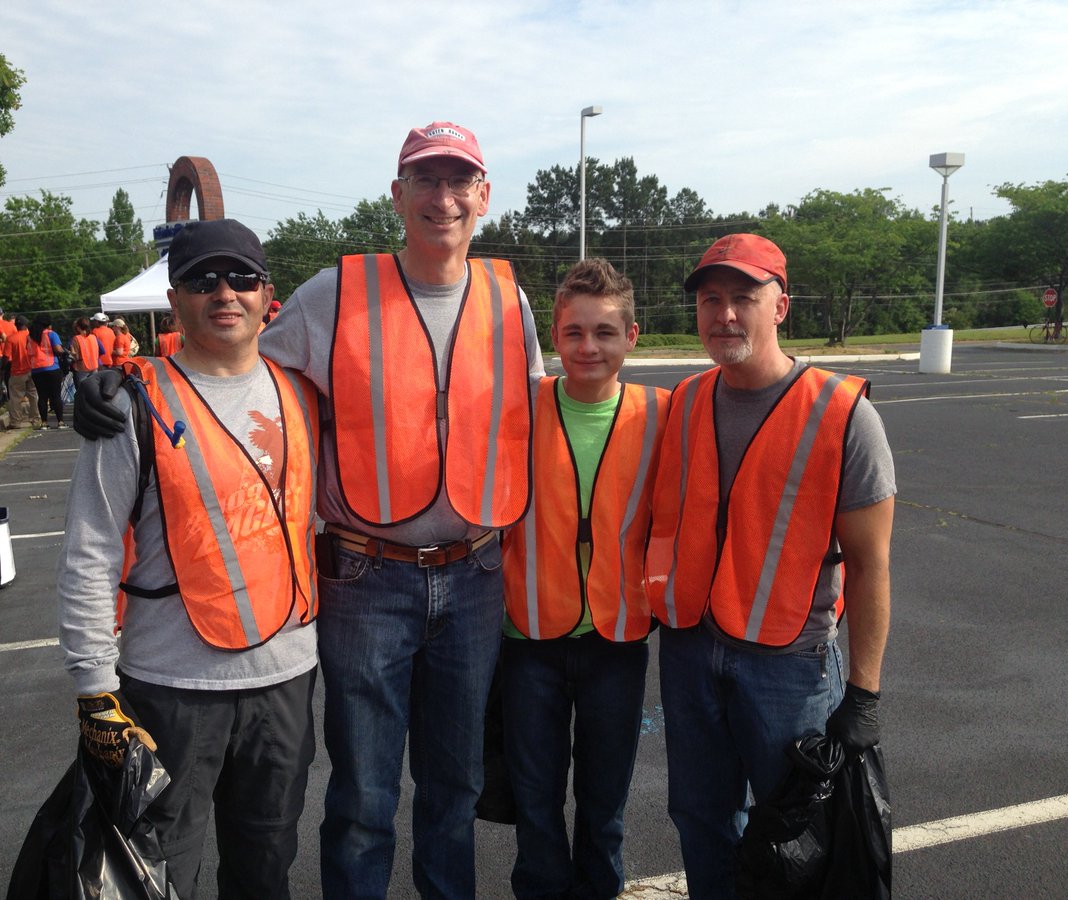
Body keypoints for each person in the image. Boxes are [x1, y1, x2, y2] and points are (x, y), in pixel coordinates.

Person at [75, 122, 544, 899]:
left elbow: (532, 413)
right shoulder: (336, 295)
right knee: (362, 795)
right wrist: (120, 377)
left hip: (474, 574)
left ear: (484, 197)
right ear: (397, 197)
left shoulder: (510, 302)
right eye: (425, 180)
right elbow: (228, 365)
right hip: (367, 578)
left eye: (459, 181)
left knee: (453, 786)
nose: (443, 197)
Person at [57, 218, 320, 899]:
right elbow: (89, 548)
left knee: (266, 868)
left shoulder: (302, 390)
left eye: (241, 278)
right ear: (174, 300)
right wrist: (94, 690)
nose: (223, 293)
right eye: (202, 281)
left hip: (284, 681)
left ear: (269, 296)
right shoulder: (129, 405)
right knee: (164, 875)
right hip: (172, 692)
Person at [644, 233, 895, 900]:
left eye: (744, 298)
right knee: (700, 820)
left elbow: (871, 567)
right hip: (693, 651)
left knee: (800, 839)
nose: (725, 314)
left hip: (790, 664)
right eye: (711, 300)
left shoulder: (844, 415)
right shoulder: (687, 402)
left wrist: (864, 695)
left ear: (780, 306)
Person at [500, 258, 669, 899]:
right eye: (574, 332)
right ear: (555, 335)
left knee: (604, 805)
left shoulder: (662, 413)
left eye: (604, 331)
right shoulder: (522, 406)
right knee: (536, 804)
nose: (588, 346)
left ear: (632, 336)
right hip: (531, 641)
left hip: (616, 641)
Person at [28, 313, 68, 429]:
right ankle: (60, 421)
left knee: (42, 397)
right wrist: (65, 352)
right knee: (56, 396)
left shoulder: (30, 336)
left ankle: (44, 422)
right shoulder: (51, 334)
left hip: (36, 368)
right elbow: (58, 349)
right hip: (51, 367)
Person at [2, 314, 41, 430]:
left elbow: (5, 357)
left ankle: (16, 422)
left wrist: (2, 368)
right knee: (33, 395)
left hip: (17, 371)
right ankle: (35, 418)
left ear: (16, 325)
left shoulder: (11, 339)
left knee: (15, 397)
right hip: (33, 370)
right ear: (26, 325)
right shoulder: (32, 337)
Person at [69, 316, 105, 393]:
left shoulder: (76, 338)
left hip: (82, 367)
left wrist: (71, 352)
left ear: (78, 328)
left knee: (82, 391)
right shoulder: (93, 337)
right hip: (94, 366)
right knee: (94, 389)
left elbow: (76, 356)